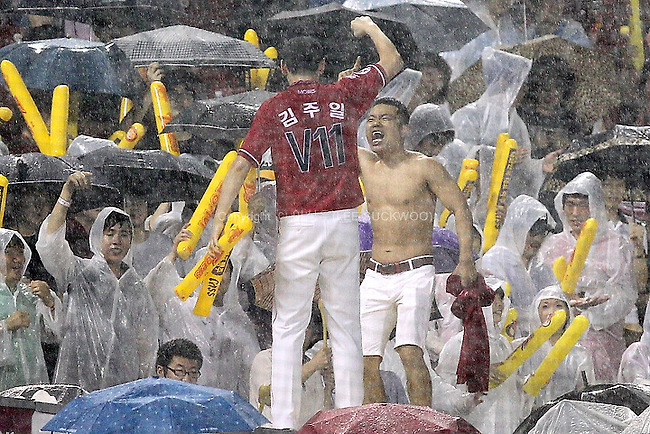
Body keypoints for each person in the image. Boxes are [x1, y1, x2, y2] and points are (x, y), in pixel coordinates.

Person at [206, 16, 403, 430]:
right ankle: (347, 418)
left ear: (282, 68)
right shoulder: (344, 93)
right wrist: (368, 26)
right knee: (345, 324)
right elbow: (393, 61)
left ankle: (283, 422)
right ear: (323, 64)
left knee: (289, 325)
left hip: (298, 224)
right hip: (344, 221)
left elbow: (240, 166)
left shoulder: (274, 107)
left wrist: (219, 221)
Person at [358, 97, 478, 406]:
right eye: (371, 119)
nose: (375, 124)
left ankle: (421, 420)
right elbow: (333, 132)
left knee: (409, 350)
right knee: (365, 360)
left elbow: (460, 208)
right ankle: (378, 423)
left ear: (404, 129)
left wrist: (465, 260)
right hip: (375, 273)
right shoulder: (364, 162)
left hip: (415, 271)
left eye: (385, 118)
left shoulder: (425, 167)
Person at [36, 171, 159, 391]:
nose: (116, 241)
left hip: (122, 387)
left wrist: (141, 386)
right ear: (97, 237)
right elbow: (50, 245)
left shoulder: (135, 286)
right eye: (110, 233)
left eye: (124, 234)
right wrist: (67, 192)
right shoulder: (80, 272)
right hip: (79, 382)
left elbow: (146, 344)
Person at [533, 172, 636, 382]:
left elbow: (626, 295)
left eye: (582, 206)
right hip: (557, 342)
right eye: (570, 205)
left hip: (602, 343)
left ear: (595, 206)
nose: (575, 213)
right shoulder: (553, 245)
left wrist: (592, 309)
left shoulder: (616, 245)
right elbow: (538, 291)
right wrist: (563, 305)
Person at [437, 279, 522, 434]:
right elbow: (442, 393)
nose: (499, 305)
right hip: (474, 425)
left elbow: (510, 392)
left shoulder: (503, 343)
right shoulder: (458, 344)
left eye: (501, 299)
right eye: (492, 300)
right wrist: (476, 377)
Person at [481, 194, 555, 336]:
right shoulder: (494, 261)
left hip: (538, 341)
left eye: (542, 232)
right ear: (515, 228)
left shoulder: (542, 268)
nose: (537, 238)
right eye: (531, 232)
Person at [514, 285, 595, 409]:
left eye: (559, 306)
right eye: (545, 306)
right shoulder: (520, 349)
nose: (552, 312)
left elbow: (586, 396)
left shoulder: (580, 355)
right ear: (536, 312)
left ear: (568, 313)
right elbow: (509, 389)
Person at [0, 229, 62, 390]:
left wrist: (50, 303)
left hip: (31, 389)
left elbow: (55, 335)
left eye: (20, 252)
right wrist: (5, 326)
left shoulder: (30, 295)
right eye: (8, 252)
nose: (17, 259)